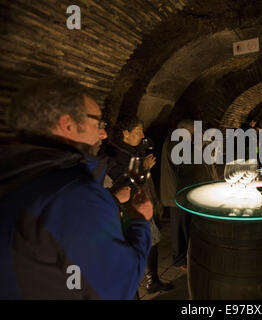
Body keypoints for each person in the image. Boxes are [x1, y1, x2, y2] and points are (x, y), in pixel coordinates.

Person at [0, 77, 153, 299]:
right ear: (68, 124)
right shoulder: (74, 194)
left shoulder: (16, 170)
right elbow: (117, 286)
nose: (103, 133)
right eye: (98, 123)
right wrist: (139, 220)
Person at [102, 116, 174, 294]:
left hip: (143, 203)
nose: (142, 135)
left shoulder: (131, 150)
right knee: (139, 244)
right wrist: (144, 166)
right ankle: (138, 286)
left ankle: (152, 279)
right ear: (125, 134)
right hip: (130, 209)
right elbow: (123, 184)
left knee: (153, 240)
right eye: (138, 132)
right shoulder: (115, 154)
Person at [160, 119, 217, 271]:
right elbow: (186, 162)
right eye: (193, 133)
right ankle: (180, 260)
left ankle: (184, 257)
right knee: (179, 228)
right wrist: (201, 146)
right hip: (177, 193)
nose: (195, 135)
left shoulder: (183, 141)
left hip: (183, 193)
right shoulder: (176, 140)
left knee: (184, 227)